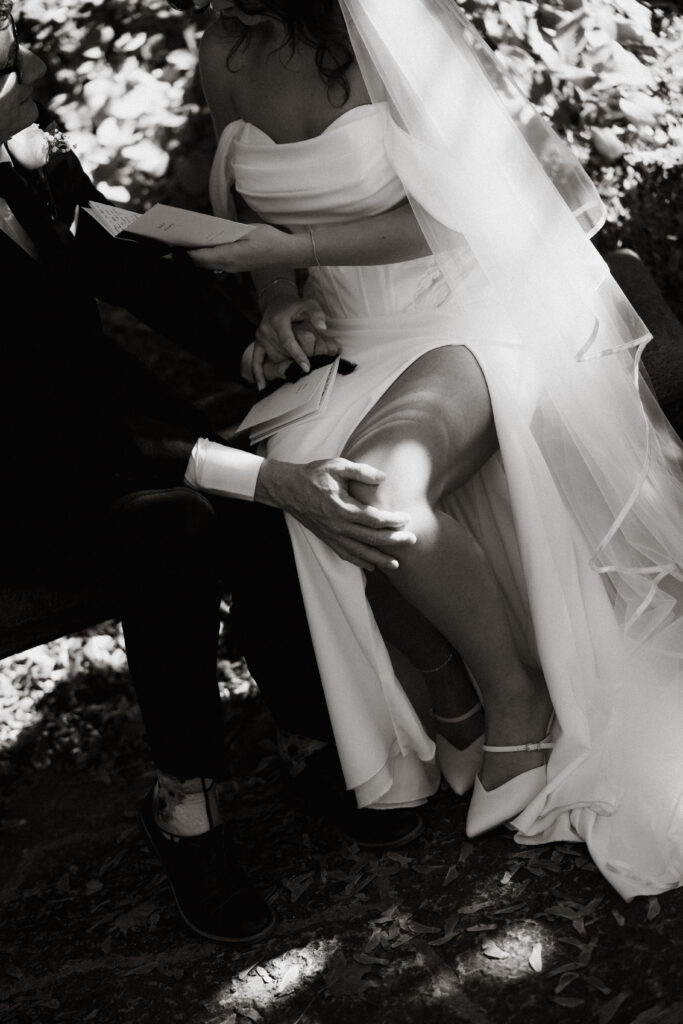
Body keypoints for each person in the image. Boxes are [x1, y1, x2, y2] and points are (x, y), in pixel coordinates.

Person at [178, 0, 683, 899]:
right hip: (352, 345)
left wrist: (298, 244)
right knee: (311, 485)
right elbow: (254, 211)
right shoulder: (224, 48)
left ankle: (515, 704)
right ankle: (451, 697)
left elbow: (475, 209)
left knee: (373, 486)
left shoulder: (386, 22)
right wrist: (275, 299)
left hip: (469, 316)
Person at [0, 1, 425, 945]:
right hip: (18, 480)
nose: (30, 61)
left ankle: (308, 732)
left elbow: (122, 261)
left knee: (263, 446)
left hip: (88, 423)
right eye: (5, 52)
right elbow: (43, 438)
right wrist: (250, 471)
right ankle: (184, 803)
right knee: (182, 521)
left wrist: (258, 351)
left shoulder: (24, 148)